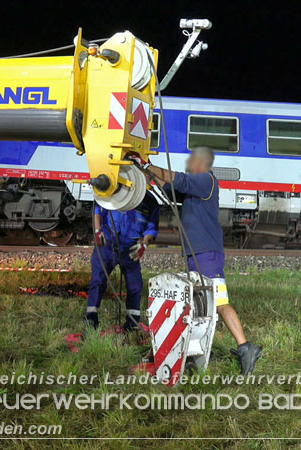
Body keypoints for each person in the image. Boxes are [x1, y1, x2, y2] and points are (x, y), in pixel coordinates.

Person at [128, 147, 262, 375]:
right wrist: (148, 173)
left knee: (218, 301)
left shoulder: (205, 180)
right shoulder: (193, 190)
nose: (189, 163)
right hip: (198, 253)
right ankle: (196, 351)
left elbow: (175, 178)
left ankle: (245, 347)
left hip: (206, 253)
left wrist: (148, 165)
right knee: (203, 302)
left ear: (202, 163)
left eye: (193, 160)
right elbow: (170, 189)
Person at [86, 190, 160, 332]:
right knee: (97, 281)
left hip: (130, 249)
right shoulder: (115, 188)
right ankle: (91, 318)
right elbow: (99, 207)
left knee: (135, 286)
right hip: (107, 245)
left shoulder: (150, 202)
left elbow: (152, 228)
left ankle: (132, 324)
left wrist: (144, 244)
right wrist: (97, 230)